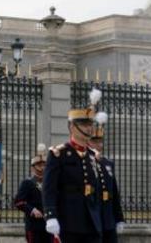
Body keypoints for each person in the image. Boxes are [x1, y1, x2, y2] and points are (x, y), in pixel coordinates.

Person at [43, 89, 105, 243]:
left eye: (90, 124)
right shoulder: (59, 154)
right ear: (72, 127)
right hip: (68, 221)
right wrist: (51, 216)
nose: (89, 128)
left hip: (91, 222)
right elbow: (49, 188)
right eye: (84, 124)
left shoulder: (92, 156)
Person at [88, 120, 125, 243]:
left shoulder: (108, 163)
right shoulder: (85, 162)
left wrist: (119, 218)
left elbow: (114, 192)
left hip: (108, 218)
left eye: (100, 141)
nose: (100, 145)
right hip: (93, 218)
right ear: (88, 143)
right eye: (95, 141)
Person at [14, 144, 51, 243]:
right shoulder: (27, 183)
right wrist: (32, 210)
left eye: (44, 165)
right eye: (39, 165)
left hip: (49, 225)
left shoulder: (50, 183)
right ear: (33, 168)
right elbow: (18, 202)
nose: (42, 168)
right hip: (34, 226)